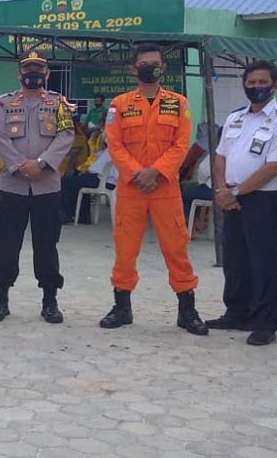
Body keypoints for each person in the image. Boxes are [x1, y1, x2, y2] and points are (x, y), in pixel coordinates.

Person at [100, 43, 208, 335]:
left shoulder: (179, 103)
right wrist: (137, 173)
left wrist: (157, 172)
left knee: (176, 248)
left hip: (165, 187)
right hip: (132, 188)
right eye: (144, 64)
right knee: (125, 248)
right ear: (134, 70)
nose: (151, 68)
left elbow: (180, 144)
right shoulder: (119, 104)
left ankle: (187, 310)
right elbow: (115, 144)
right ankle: (121, 307)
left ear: (164, 68)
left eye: (155, 63)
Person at [207, 60, 277, 346]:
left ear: (275, 85)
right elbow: (220, 156)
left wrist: (238, 192)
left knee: (264, 261)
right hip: (229, 194)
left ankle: (266, 322)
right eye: (251, 82)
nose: (256, 87)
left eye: (262, 82)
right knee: (235, 258)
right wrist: (222, 190)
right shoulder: (235, 118)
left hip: (262, 199)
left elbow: (274, 166)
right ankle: (237, 312)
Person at [0, 51, 75, 324]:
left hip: (46, 187)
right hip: (13, 186)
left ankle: (50, 301)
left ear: (47, 74)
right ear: (19, 74)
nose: (33, 74)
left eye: (38, 69)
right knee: (6, 245)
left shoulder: (60, 104)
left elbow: (66, 135)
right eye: (28, 70)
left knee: (47, 245)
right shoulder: (4, 104)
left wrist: (43, 164)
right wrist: (20, 166)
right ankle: (1, 299)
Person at [60, 142, 118, 224]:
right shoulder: (117, 150)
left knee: (66, 182)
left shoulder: (112, 151)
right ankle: (83, 216)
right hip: (109, 180)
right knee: (79, 182)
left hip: (103, 180)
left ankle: (68, 215)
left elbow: (95, 169)